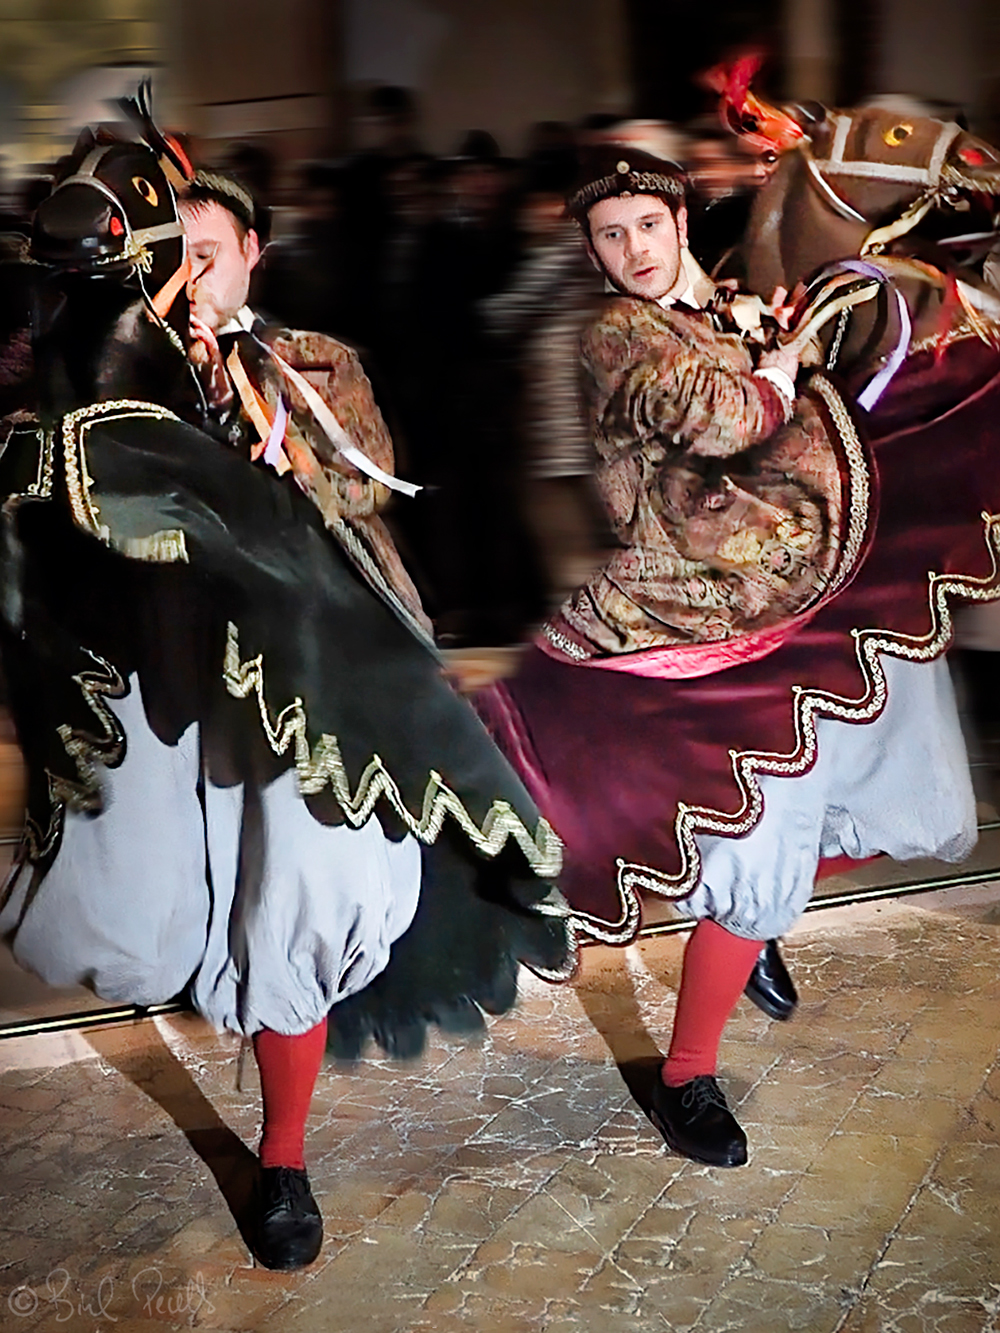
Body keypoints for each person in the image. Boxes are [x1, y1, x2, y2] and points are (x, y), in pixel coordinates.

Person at [0, 139, 571, 1273]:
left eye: (207, 256)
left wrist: (218, 397)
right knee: (147, 901)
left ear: (249, 256)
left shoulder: (312, 361)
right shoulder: (91, 366)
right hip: (175, 683)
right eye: (174, 259)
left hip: (312, 692)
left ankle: (285, 1155)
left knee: (304, 906)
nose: (190, 278)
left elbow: (352, 483)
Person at [476, 146, 981, 1167]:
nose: (632, 251)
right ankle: (686, 1075)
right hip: (694, 613)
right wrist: (781, 367)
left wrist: (787, 334)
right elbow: (721, 416)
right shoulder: (615, 332)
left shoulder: (734, 310)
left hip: (803, 588)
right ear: (590, 251)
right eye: (608, 236)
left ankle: (753, 929)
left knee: (896, 746)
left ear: (681, 226)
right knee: (757, 838)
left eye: (647, 228)